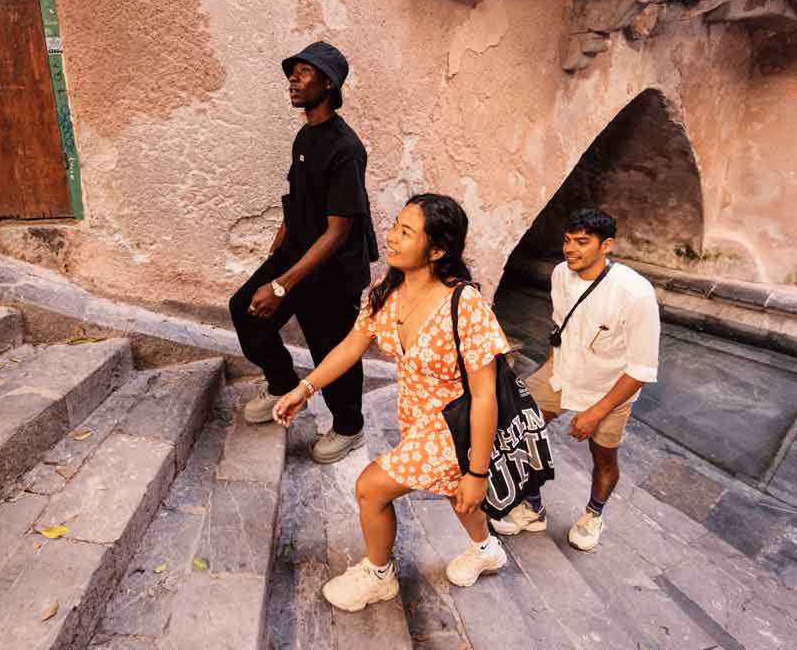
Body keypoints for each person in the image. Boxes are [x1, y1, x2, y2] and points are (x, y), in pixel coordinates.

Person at [273, 194, 510, 612]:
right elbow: (350, 347)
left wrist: (477, 470)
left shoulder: (465, 305)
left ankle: (379, 575)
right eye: (395, 226)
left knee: (371, 488)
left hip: (454, 427)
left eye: (406, 231)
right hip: (416, 421)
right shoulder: (386, 294)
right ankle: (486, 548)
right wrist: (302, 389)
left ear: (437, 250)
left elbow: (486, 394)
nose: (392, 237)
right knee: (458, 495)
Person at [229, 41, 379, 464]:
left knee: (330, 349)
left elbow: (338, 232)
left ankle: (349, 428)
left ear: (328, 83)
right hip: (301, 251)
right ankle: (280, 382)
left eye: (303, 72)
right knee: (244, 309)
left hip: (333, 269)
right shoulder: (305, 134)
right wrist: (277, 251)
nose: (293, 79)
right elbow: (298, 196)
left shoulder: (346, 149)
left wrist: (280, 285)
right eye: (291, 71)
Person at [491, 207, 660, 551]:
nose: (571, 249)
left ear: (606, 245)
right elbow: (560, 325)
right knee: (515, 428)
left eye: (582, 242)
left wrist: (595, 413)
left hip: (610, 388)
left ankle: (593, 514)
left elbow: (641, 370)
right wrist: (549, 367)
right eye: (568, 241)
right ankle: (533, 507)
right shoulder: (560, 274)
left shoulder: (636, 295)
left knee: (603, 459)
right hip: (561, 373)